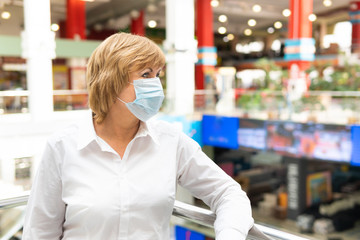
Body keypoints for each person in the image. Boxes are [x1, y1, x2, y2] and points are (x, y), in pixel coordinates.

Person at [22, 32, 254, 240]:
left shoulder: (170, 141)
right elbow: (40, 232)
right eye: (146, 74)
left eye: (158, 74)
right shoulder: (63, 146)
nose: (156, 84)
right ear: (111, 81)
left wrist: (230, 233)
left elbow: (228, 193)